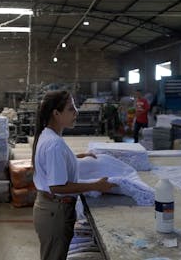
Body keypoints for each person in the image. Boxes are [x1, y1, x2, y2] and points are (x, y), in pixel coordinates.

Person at [32, 90, 117, 260]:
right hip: (55, 212)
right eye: (71, 109)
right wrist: (95, 186)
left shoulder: (48, 135)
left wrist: (77, 157)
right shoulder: (54, 144)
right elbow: (57, 186)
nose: (76, 112)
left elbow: (51, 165)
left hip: (50, 209)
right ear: (56, 114)